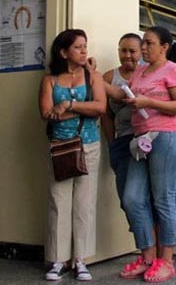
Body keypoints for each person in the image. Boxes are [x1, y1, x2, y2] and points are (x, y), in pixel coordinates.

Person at [104, 26, 176, 283]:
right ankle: (148, 256)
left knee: (164, 198)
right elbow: (123, 94)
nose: (144, 48)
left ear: (164, 46)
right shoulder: (140, 71)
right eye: (144, 43)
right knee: (132, 198)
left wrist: (149, 102)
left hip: (166, 137)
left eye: (149, 43)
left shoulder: (173, 70)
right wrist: (93, 75)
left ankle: (167, 261)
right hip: (141, 141)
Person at [38, 29, 106, 281]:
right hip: (60, 146)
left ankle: (81, 259)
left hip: (88, 145)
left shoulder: (93, 77)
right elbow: (46, 113)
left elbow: (100, 107)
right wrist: (82, 111)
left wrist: (68, 105)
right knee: (59, 202)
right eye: (78, 47)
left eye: (85, 46)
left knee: (84, 204)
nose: (83, 50)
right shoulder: (50, 80)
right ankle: (58, 259)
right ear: (64, 52)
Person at [101, 33, 143, 214]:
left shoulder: (147, 74)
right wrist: (112, 143)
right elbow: (106, 115)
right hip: (122, 142)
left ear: (141, 52)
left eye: (132, 51)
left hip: (145, 141)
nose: (127, 55)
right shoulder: (109, 77)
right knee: (127, 198)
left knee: (144, 197)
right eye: (123, 50)